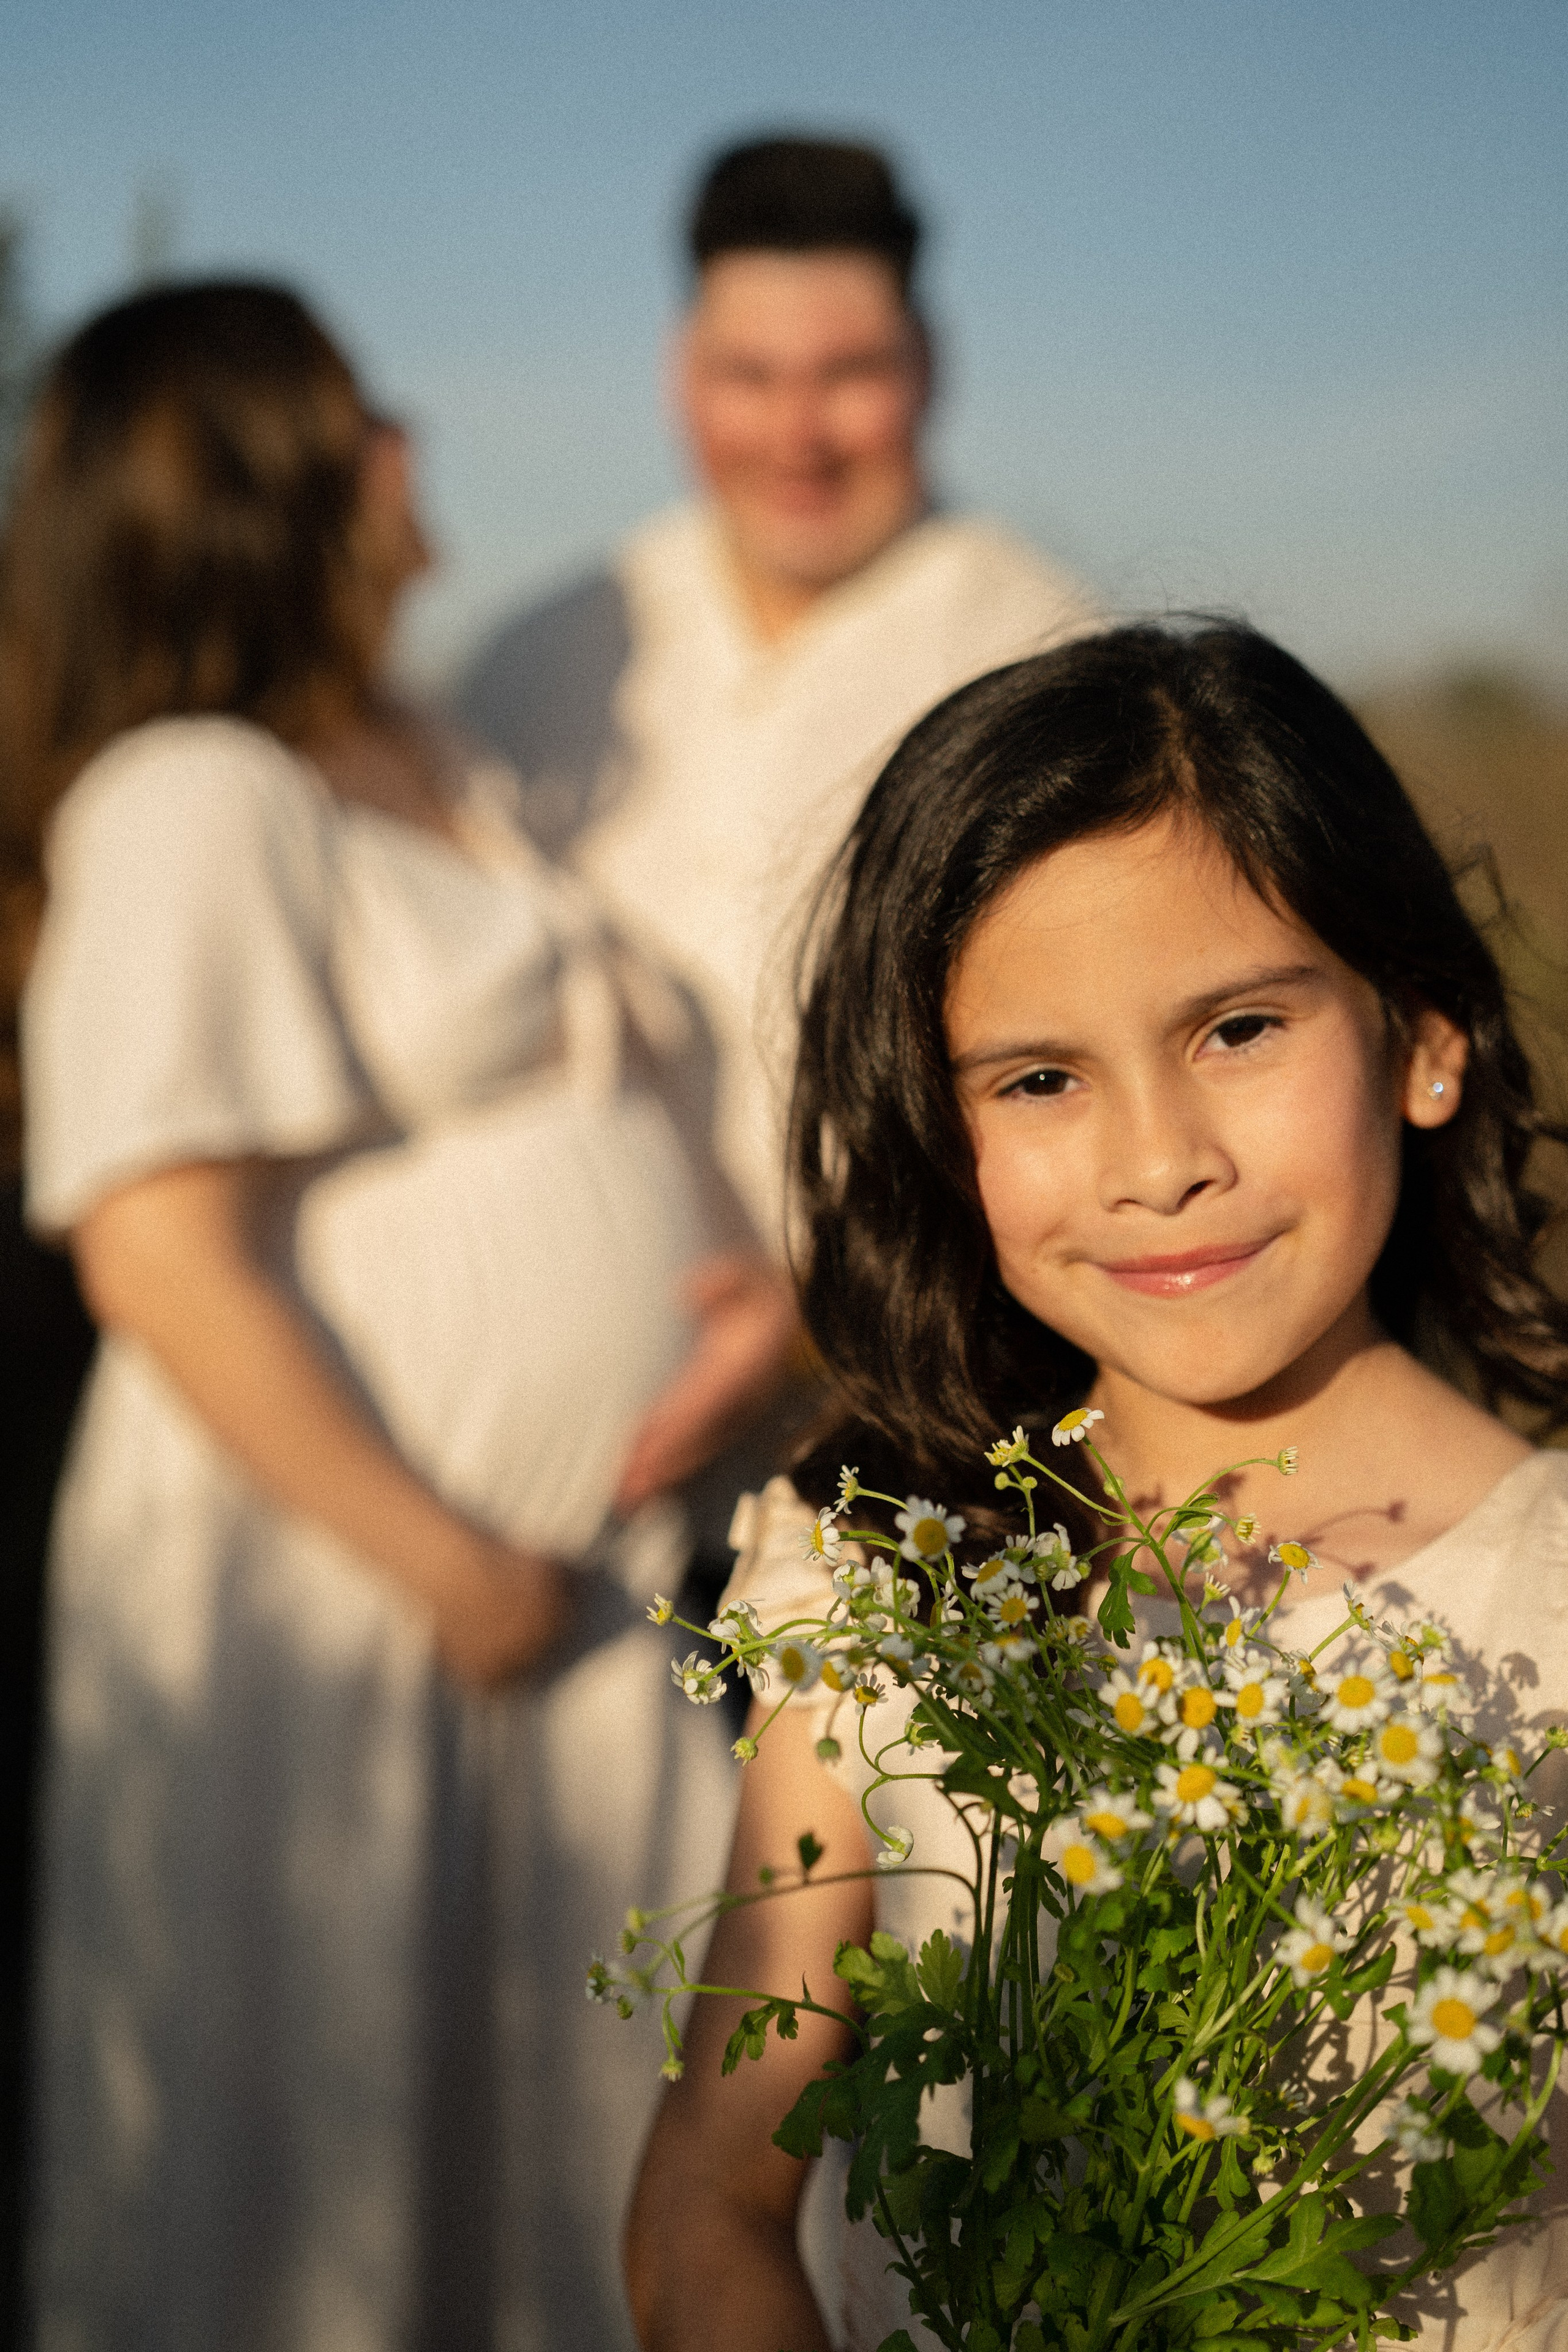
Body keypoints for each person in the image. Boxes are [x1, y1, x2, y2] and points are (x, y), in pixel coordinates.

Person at [2, 280, 794, 2352]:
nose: (412, 449)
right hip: (350, 1609)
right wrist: (449, 1564)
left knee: (551, 2136)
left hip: (567, 1598)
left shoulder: (424, 751)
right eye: (366, 419)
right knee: (331, 2163)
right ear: (259, 479)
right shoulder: (190, 795)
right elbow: (155, 1242)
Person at [625, 623, 1568, 2352]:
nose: (1159, 1162)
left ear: (1423, 1039)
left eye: (1239, 1029)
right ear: (943, 1132)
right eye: (1042, 1079)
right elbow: (713, 2190)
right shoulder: (885, 1583)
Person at [455, 134, 1096, 1255]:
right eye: (749, 377)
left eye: (848, 375)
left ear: (931, 366)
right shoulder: (540, 655)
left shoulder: (1057, 664)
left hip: (901, 1371)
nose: (798, 435)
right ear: (678, 370)